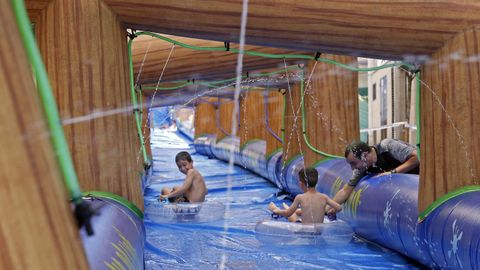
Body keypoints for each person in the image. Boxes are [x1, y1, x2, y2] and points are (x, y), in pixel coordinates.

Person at [327, 139, 419, 215]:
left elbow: (418, 157)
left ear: (365, 156)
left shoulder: (387, 146)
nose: (352, 168)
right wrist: (327, 209)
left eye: (353, 163)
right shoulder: (362, 167)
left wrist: (393, 172)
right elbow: (345, 190)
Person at [268, 167, 342, 224]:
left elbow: (288, 213)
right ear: (316, 183)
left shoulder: (300, 197)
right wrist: (331, 211)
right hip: (319, 231)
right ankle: (286, 208)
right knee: (297, 211)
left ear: (301, 183)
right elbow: (339, 208)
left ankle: (276, 208)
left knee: (292, 213)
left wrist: (276, 211)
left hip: (304, 231)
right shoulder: (324, 197)